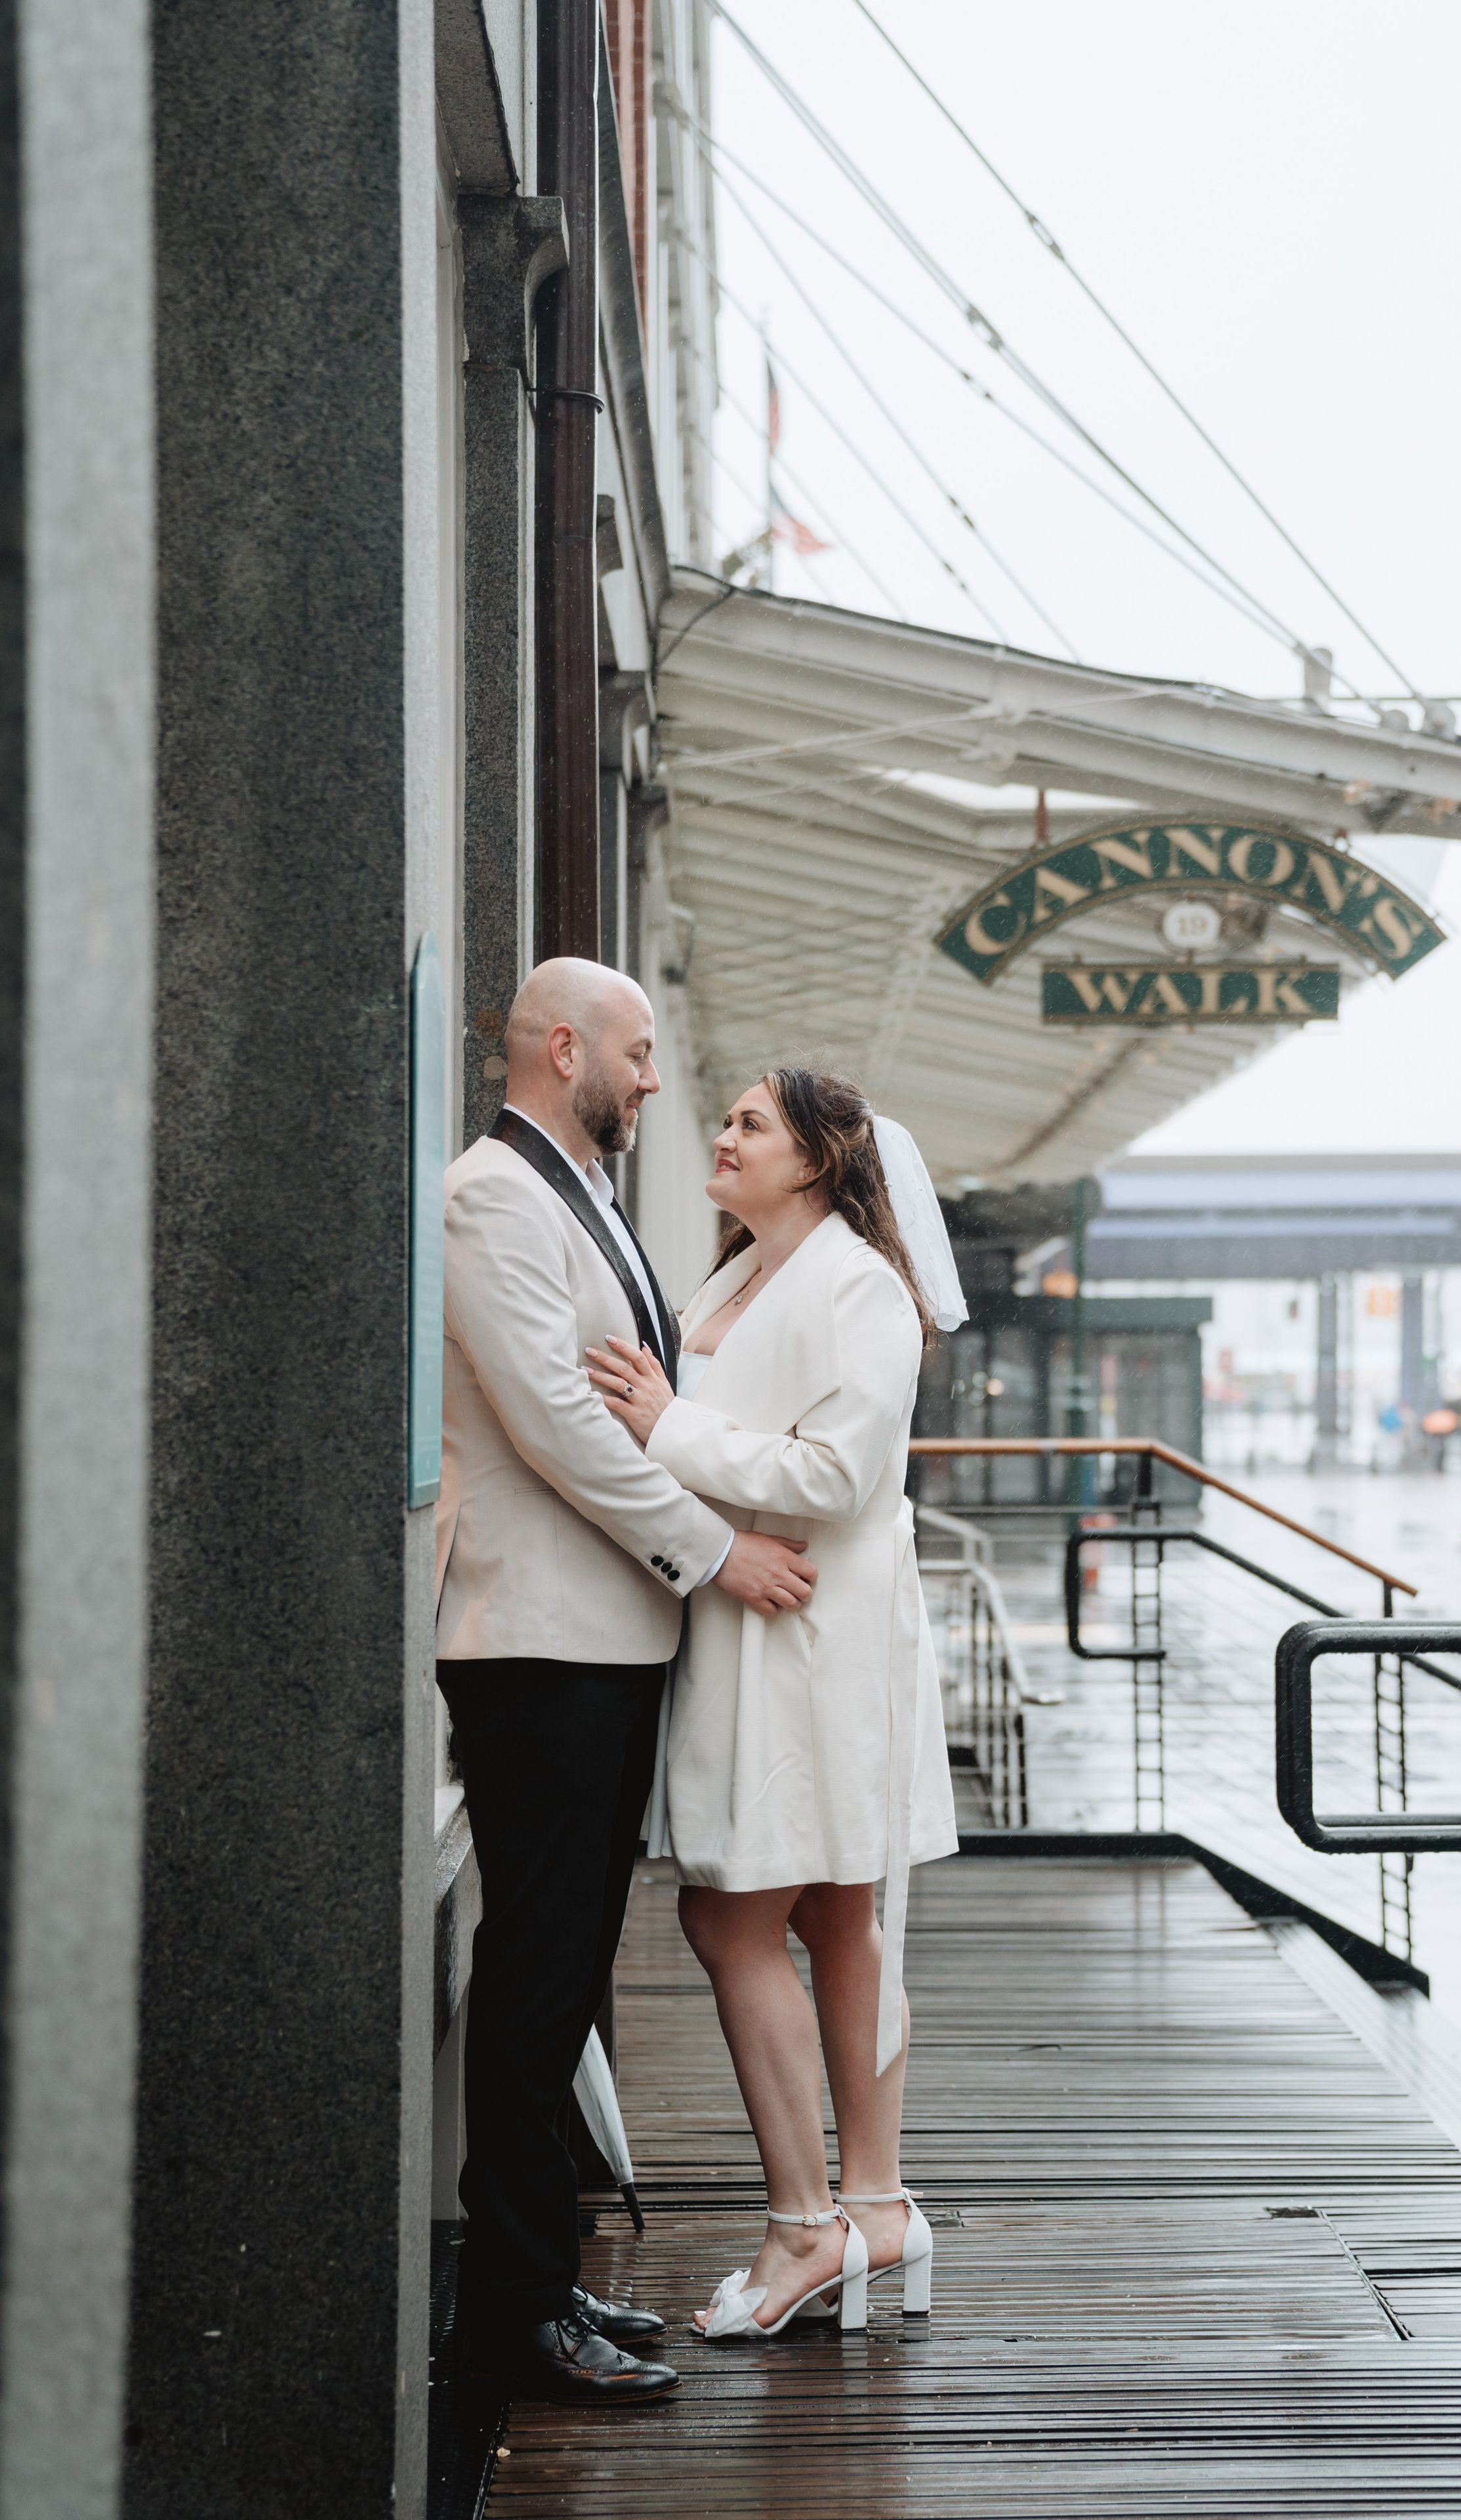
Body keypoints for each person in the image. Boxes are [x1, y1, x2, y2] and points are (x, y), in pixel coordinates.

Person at [436, 959, 818, 2401]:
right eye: (639, 1052)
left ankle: (537, 2276)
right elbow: (556, 1426)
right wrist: (716, 1552)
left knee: (564, 1970)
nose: (655, 1079)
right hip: (538, 1643)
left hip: (600, 1640)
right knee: (539, 1975)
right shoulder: (491, 1197)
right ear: (563, 1048)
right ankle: (513, 2311)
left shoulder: (576, 1190)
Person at [585, 1067, 963, 2338]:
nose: (725, 1135)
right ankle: (874, 2206)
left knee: (731, 1912)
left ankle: (808, 2224)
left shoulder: (861, 1287)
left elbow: (842, 1477)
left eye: (751, 1122)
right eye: (729, 1117)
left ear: (816, 1158)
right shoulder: (735, 1277)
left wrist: (663, 1428)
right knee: (834, 1908)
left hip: (814, 1633)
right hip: (750, 1620)